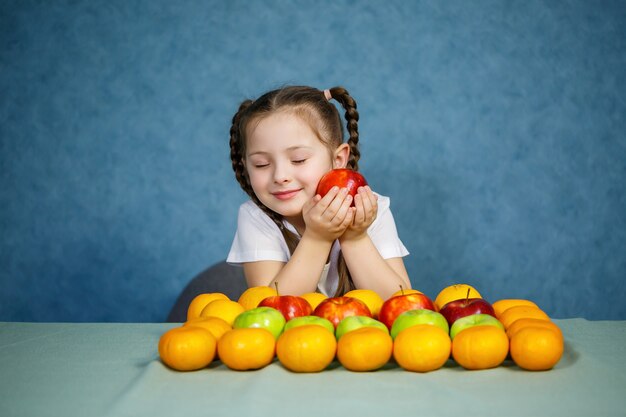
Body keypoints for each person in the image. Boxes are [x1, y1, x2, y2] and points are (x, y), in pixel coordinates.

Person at [226, 85, 411, 299]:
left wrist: (355, 237)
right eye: (261, 164)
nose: (280, 176)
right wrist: (318, 238)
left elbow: (401, 302)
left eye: (299, 160)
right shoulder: (256, 217)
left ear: (338, 160)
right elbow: (271, 305)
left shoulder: (369, 209)